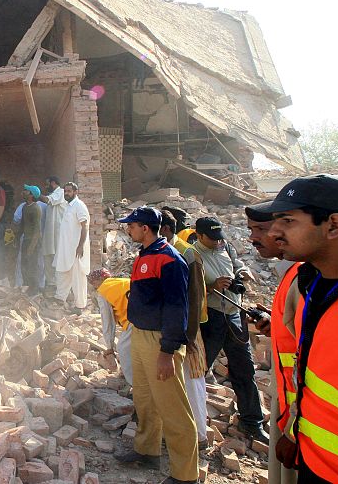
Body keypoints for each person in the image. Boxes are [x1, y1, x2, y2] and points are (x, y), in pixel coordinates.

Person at [255, 174, 338, 482]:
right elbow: (305, 375)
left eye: (288, 221)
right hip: (313, 460)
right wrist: (294, 432)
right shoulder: (309, 284)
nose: (273, 231)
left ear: (333, 225)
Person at [114, 207, 198, 484]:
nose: (128, 230)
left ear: (145, 228)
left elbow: (178, 308)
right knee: (145, 399)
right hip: (140, 334)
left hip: (159, 339)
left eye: (132, 226)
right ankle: (147, 450)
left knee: (173, 407)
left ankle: (185, 475)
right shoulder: (145, 254)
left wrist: (167, 351)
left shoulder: (169, 259)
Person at [193, 216, 267, 442]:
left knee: (244, 369)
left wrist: (242, 272)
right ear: (199, 235)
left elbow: (238, 265)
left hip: (234, 315)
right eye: (212, 238)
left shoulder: (225, 247)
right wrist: (212, 286)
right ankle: (191, 424)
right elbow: (189, 291)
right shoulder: (192, 255)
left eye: (219, 238)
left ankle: (251, 422)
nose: (217, 242)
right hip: (211, 318)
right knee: (198, 371)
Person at [245, 203, 298, 484]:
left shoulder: (303, 279)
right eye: (251, 229)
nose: (253, 237)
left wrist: (293, 429)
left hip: (301, 414)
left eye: (261, 229)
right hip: (289, 402)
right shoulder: (291, 275)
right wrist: (275, 325)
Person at [160, 210, 210, 449]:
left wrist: (189, 335)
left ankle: (199, 435)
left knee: (192, 380)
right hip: (169, 328)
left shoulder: (187, 253)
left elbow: (195, 298)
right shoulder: (162, 251)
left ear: (164, 229)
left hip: (186, 330)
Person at [88, 268, 133, 385]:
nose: (95, 287)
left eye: (94, 284)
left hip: (134, 319)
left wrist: (109, 347)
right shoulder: (121, 282)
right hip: (151, 314)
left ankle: (134, 383)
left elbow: (107, 321)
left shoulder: (104, 290)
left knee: (123, 349)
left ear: (99, 280)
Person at [53, 182, 90, 308]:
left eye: (69, 191)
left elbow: (85, 227)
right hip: (66, 249)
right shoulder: (68, 206)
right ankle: (60, 299)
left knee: (78, 277)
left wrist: (80, 246)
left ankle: (80, 306)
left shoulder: (79, 206)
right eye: (65, 191)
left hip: (76, 249)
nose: (66, 193)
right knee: (63, 273)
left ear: (75, 192)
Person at [40, 176, 66, 292]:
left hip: (57, 233)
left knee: (57, 257)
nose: (46, 187)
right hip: (49, 233)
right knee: (48, 256)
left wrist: (37, 194)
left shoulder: (60, 192)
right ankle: (51, 283)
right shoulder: (53, 194)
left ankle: (59, 285)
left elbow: (47, 200)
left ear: (53, 183)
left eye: (47, 184)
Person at [18, 185, 43, 296]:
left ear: (31, 195)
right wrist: (17, 238)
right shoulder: (25, 207)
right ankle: (27, 286)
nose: (23, 192)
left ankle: (34, 290)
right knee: (24, 264)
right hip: (26, 240)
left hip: (33, 241)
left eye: (26, 191)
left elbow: (37, 230)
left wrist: (31, 247)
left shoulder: (36, 209)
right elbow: (22, 224)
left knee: (32, 265)